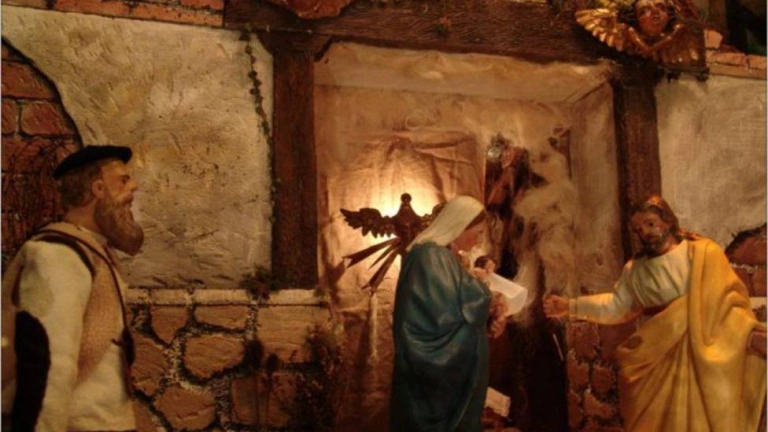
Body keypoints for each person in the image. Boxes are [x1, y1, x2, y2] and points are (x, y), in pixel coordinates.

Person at [543, 195, 767, 432]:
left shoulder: (703, 253)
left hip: (701, 354)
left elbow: (726, 303)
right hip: (656, 355)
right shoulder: (636, 270)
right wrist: (571, 306)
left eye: (650, 223)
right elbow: (616, 306)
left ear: (667, 220)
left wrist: (747, 334)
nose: (646, 232)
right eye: (639, 229)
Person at [2, 145, 144, 431]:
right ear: (98, 189)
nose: (134, 186)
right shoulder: (57, 255)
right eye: (123, 180)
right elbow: (49, 365)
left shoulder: (92, 252)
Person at [389, 195, 506, 432]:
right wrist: (488, 297)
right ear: (459, 225)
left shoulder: (442, 256)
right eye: (477, 232)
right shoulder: (432, 256)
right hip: (429, 382)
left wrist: (488, 317)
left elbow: (457, 310)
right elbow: (443, 315)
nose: (479, 240)